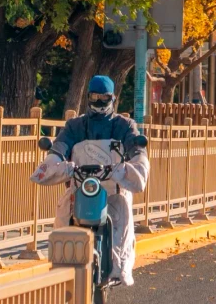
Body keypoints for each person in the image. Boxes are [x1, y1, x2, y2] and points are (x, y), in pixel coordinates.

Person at [31, 75, 149, 286]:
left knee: (122, 215)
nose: (99, 102)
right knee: (63, 212)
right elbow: (60, 147)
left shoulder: (124, 125)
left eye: (104, 98)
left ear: (112, 98)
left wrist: (136, 162)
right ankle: (61, 265)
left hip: (113, 188)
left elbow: (135, 147)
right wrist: (54, 160)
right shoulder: (75, 125)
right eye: (95, 97)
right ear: (88, 97)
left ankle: (119, 268)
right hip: (80, 186)